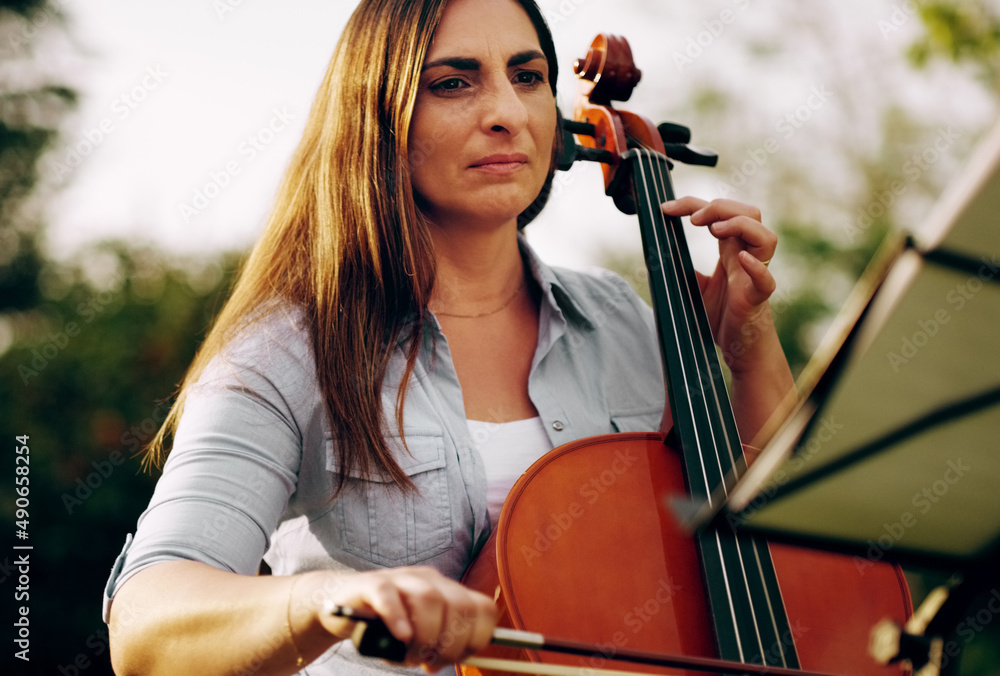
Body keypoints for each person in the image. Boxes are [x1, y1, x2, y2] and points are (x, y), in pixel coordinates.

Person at [104, 0, 796, 673]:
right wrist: (333, 599)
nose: (505, 113)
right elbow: (146, 628)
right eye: (454, 84)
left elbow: (790, 544)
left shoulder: (618, 320)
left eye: (527, 77)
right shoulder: (289, 351)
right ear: (380, 121)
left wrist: (749, 350)